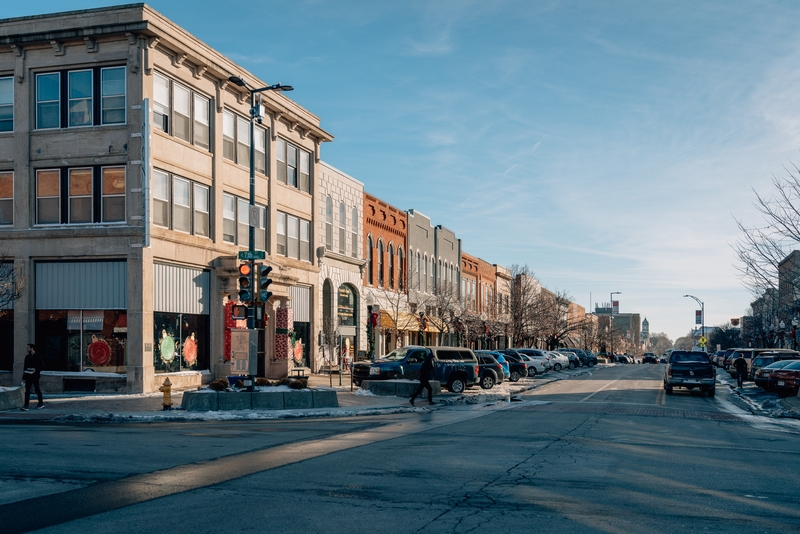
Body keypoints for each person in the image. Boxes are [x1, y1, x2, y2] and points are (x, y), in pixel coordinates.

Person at [21, 343, 45, 411]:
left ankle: (41, 403)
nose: (27, 349)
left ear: (32, 348)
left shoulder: (38, 356)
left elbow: (43, 366)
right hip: (28, 375)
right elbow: (25, 368)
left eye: (28, 347)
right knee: (27, 391)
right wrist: (23, 378)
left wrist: (36, 370)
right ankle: (26, 405)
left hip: (35, 376)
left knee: (37, 389)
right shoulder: (27, 357)